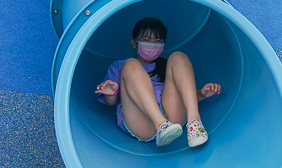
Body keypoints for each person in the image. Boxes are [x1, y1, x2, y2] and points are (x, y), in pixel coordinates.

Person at [95, 18, 221, 147]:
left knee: (178, 57)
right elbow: (111, 103)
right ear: (133, 42)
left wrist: (201, 94)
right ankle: (161, 124)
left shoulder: (166, 66)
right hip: (140, 120)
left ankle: (194, 123)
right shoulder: (119, 66)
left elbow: (177, 96)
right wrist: (111, 93)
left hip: (172, 119)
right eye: (147, 40)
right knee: (131, 65)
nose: (152, 45)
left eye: (158, 41)